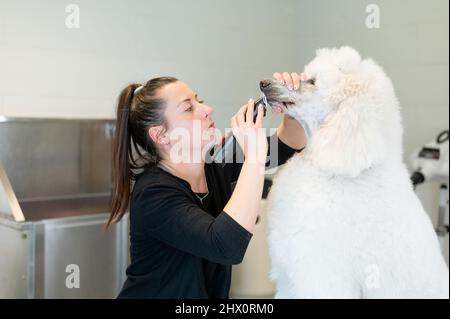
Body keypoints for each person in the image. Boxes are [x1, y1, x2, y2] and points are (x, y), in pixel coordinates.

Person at [107, 72, 306, 298]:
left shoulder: (214, 163)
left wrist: (293, 106)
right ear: (161, 135)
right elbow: (226, 246)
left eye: (198, 100)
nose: (207, 109)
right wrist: (254, 155)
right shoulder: (153, 193)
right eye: (188, 108)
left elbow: (288, 144)